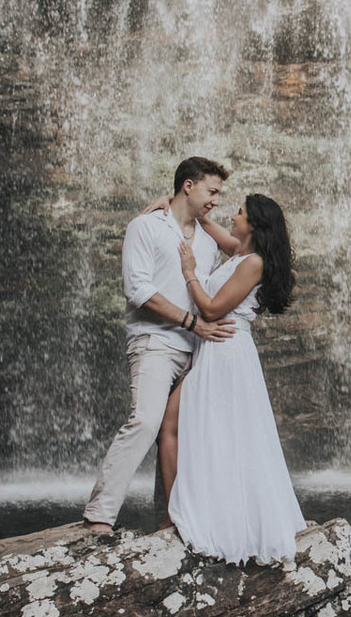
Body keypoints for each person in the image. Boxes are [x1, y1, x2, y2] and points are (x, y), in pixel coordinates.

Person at [83, 157, 236, 533]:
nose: (217, 200)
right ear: (188, 185)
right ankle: (99, 516)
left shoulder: (205, 239)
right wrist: (191, 322)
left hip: (197, 349)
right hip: (155, 343)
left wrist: (199, 328)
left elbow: (239, 256)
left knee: (178, 436)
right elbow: (138, 290)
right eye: (212, 191)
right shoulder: (145, 226)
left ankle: (170, 521)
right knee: (146, 421)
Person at [163, 194, 306, 565]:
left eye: (240, 213)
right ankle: (184, 513)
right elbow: (217, 233)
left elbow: (211, 309)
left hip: (226, 351)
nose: (233, 215)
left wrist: (190, 270)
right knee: (199, 430)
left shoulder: (253, 263)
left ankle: (182, 518)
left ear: (255, 225)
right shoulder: (242, 253)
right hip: (217, 349)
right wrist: (185, 207)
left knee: (181, 427)